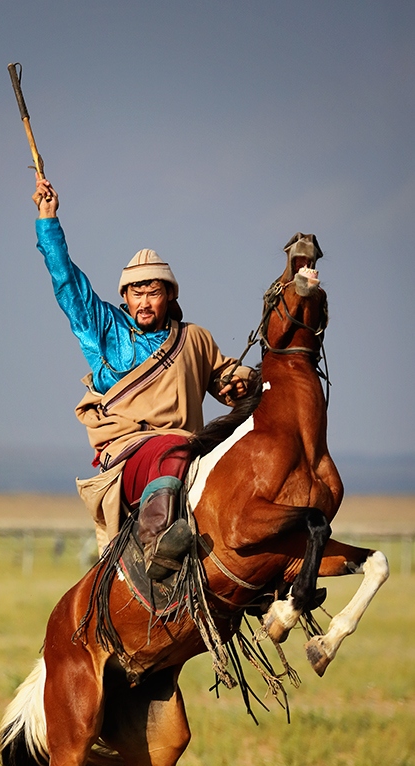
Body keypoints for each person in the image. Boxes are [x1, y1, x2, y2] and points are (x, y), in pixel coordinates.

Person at [33, 176, 252, 580]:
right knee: (171, 449)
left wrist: (238, 381)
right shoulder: (105, 331)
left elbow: (226, 378)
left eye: (153, 292)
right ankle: (156, 546)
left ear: (169, 295)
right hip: (129, 453)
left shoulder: (195, 338)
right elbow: (68, 285)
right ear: (126, 297)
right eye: (136, 293)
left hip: (191, 449)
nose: (144, 301)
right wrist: (48, 220)